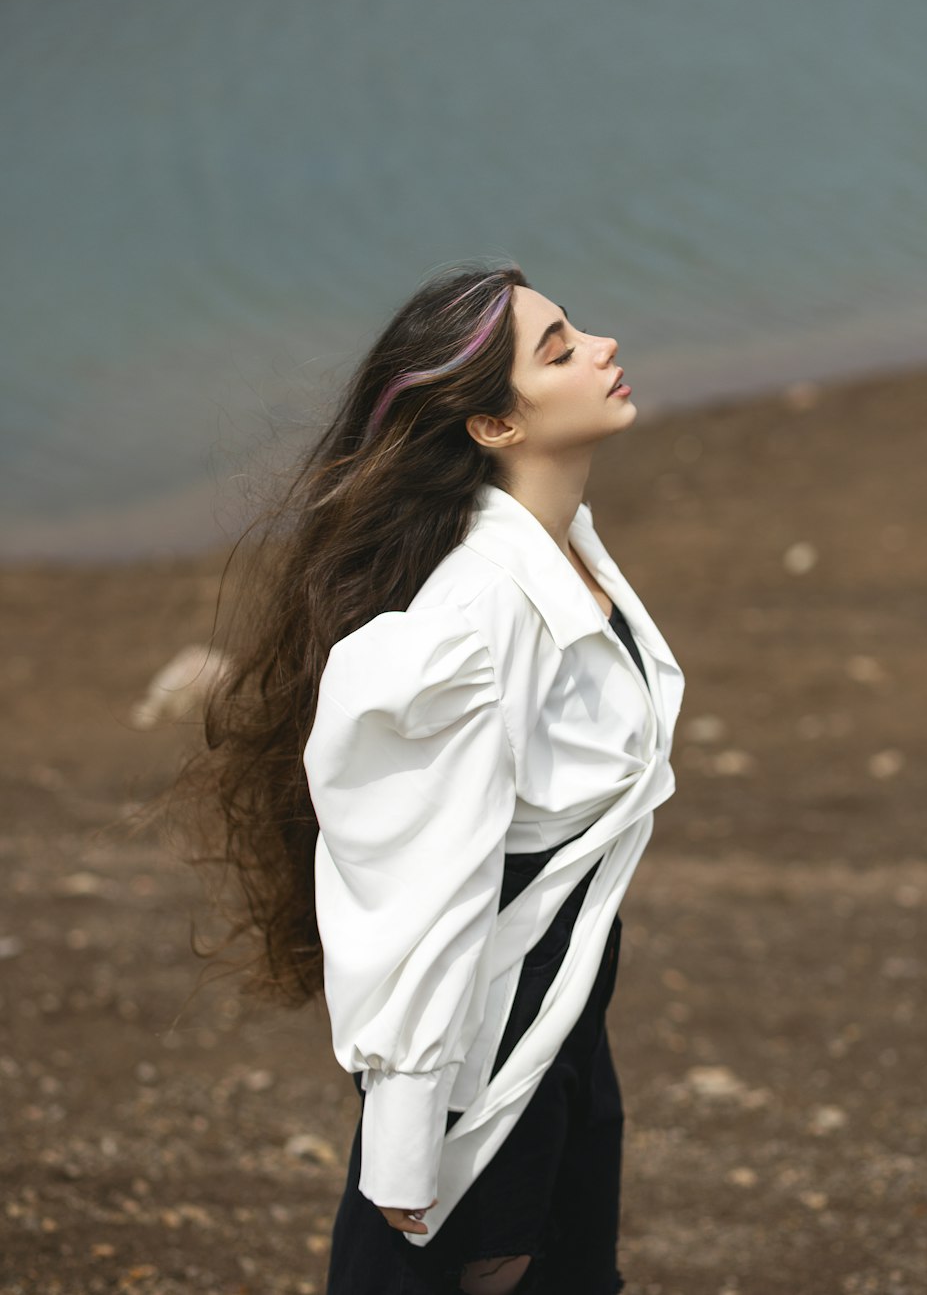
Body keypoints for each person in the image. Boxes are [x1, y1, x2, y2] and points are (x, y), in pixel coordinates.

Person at [179, 262, 685, 1295]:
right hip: (489, 1028)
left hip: (564, 1007)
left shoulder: (564, 553)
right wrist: (406, 1126)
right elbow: (429, 879)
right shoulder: (474, 619)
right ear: (494, 427)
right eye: (558, 349)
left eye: (575, 328)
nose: (602, 346)